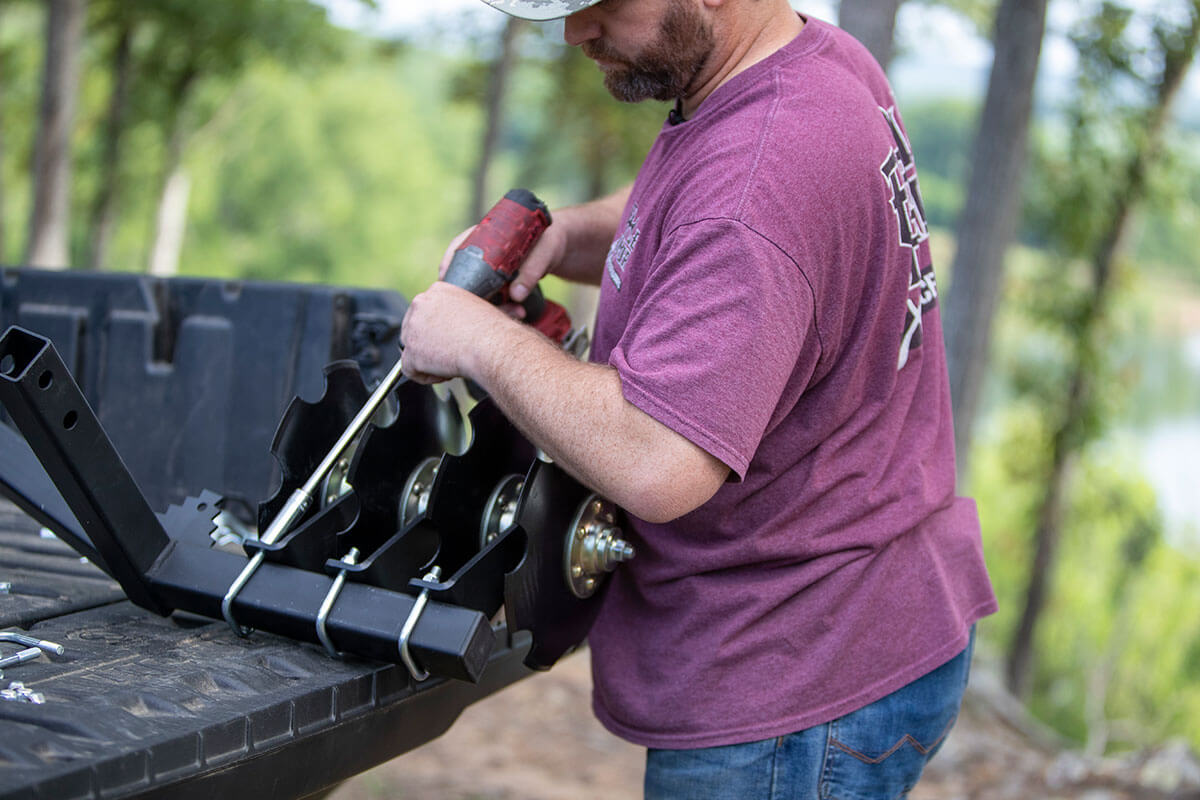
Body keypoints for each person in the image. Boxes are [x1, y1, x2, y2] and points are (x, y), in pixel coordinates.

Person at [400, 0, 998, 797]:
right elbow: (698, 199)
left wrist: (473, 336)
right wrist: (571, 236)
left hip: (791, 690)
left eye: (601, 4)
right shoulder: (809, 63)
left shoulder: (762, 179)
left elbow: (658, 459)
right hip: (869, 607)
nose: (575, 33)